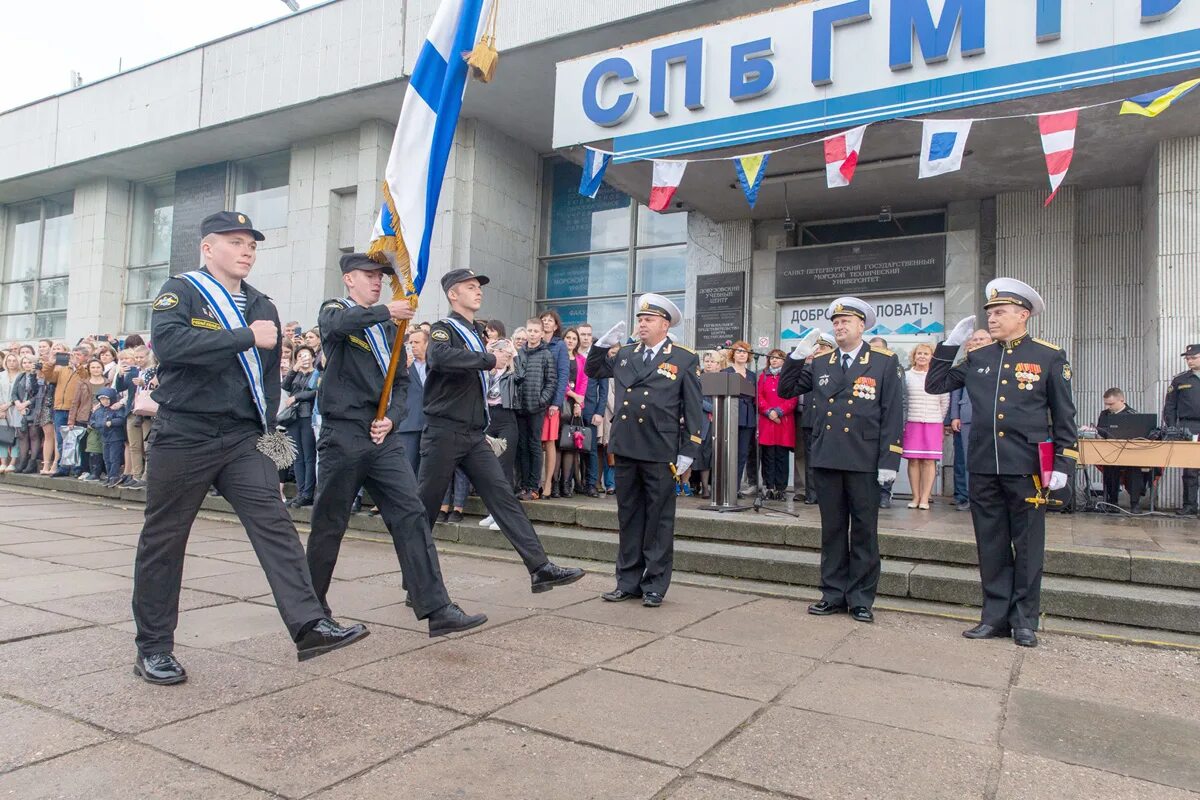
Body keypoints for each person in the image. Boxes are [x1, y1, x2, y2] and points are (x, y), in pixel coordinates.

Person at [132, 211, 368, 686]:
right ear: (208, 247)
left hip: (243, 436)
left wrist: (267, 428)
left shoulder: (262, 303)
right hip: (185, 433)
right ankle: (153, 647)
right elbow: (170, 344)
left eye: (252, 244)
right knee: (165, 538)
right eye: (236, 241)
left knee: (275, 524)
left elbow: (266, 376)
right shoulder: (181, 290)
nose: (246, 251)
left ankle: (309, 626)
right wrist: (243, 335)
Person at [304, 253, 486, 636]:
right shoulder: (338, 310)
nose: (376, 282)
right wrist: (386, 310)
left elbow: (402, 383)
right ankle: (311, 610)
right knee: (329, 522)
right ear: (349, 279)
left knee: (411, 515)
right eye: (369, 276)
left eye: (380, 277)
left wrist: (393, 418)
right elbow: (336, 325)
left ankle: (436, 607)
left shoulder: (390, 330)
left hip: (381, 437)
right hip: (344, 434)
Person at [926, 278, 1079, 648]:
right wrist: (949, 344)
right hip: (983, 464)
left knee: (1027, 546)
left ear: (1023, 315)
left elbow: (1064, 416)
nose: (991, 319)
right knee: (990, 544)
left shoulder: (1048, 355)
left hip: (1026, 465)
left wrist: (1063, 463)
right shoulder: (979, 357)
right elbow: (935, 383)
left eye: (999, 312)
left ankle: (1024, 619)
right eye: (989, 312)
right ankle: (994, 616)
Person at [417, 268, 584, 592]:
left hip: (474, 434)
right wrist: (487, 358)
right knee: (424, 510)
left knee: (504, 498)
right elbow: (438, 357)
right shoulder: (443, 329)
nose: (478, 291)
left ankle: (540, 567)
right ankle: (417, 585)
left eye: (478, 286)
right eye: (470, 287)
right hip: (444, 431)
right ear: (453, 294)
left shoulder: (477, 332)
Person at [780, 299, 905, 624]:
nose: (839, 327)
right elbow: (786, 389)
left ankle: (861, 598)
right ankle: (833, 593)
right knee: (833, 530)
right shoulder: (822, 362)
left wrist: (889, 459)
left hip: (864, 458)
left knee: (864, 530)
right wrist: (796, 356)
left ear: (862, 325)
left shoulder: (882, 362)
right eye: (835, 322)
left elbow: (893, 412)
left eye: (846, 321)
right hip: (828, 456)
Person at [586, 294, 704, 607]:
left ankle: (654, 584)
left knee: (659, 519)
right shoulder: (625, 354)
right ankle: (627, 581)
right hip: (626, 445)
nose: (642, 324)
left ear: (665, 325)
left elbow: (693, 407)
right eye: (640, 319)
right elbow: (593, 371)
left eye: (649, 319)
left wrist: (689, 448)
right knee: (629, 516)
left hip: (660, 447)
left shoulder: (683, 358)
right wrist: (599, 346)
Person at [902, 344, 949, 510]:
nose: (922, 356)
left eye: (926, 354)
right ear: (914, 356)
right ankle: (915, 497)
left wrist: (938, 419)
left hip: (933, 423)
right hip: (911, 423)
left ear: (931, 357)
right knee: (913, 460)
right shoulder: (906, 376)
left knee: (929, 461)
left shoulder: (938, 376)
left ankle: (924, 498)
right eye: (919, 353)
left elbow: (944, 402)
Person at [515, 317, 556, 500]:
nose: (532, 334)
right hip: (520, 407)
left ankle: (533, 487)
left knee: (535, 446)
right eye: (529, 331)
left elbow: (551, 381)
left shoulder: (546, 354)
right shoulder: (520, 353)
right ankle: (523, 485)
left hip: (536, 408)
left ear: (541, 333)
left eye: (535, 331)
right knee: (522, 447)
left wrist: (542, 400)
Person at [1095, 388, 1148, 512]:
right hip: (1112, 452)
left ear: (1122, 400)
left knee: (1135, 469)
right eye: (1106, 403)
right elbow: (1100, 430)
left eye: (1111, 404)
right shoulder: (1104, 414)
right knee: (1109, 468)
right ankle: (1112, 502)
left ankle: (1135, 504)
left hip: (1130, 454)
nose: (1108, 407)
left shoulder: (1133, 414)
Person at [1164, 343, 1200, 516]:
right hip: (1190, 426)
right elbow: (1170, 407)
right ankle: (1190, 505)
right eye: (1187, 358)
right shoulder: (1180, 380)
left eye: (1193, 357)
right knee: (1191, 468)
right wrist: (1172, 427)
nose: (1189, 361)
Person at [757, 349, 797, 500]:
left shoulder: (787, 377)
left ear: (784, 360)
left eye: (777, 358)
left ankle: (780, 488)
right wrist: (768, 412)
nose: (773, 361)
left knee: (781, 456)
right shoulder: (763, 377)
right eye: (771, 358)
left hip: (783, 423)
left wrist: (779, 412)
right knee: (768, 456)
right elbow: (759, 396)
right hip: (767, 422)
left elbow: (792, 398)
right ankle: (768, 486)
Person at [282, 346, 319, 507]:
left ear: (312, 357)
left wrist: (297, 397)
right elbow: (285, 386)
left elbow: (316, 392)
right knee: (297, 456)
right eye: (300, 355)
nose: (304, 358)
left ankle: (308, 493)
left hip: (308, 416)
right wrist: (294, 369)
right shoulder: (295, 373)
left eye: (307, 355)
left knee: (309, 456)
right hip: (293, 418)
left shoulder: (316, 373)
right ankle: (301, 491)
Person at [539, 310, 569, 497]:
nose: (546, 323)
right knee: (534, 442)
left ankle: (548, 483)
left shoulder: (560, 346)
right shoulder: (535, 342)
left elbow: (563, 375)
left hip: (551, 402)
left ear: (556, 326)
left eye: (550, 321)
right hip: (534, 399)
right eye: (544, 320)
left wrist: (556, 402)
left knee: (549, 442)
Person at [724, 341, 758, 496]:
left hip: (748, 417)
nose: (742, 354)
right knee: (728, 452)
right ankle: (725, 486)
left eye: (745, 352)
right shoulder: (726, 372)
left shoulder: (752, 375)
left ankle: (735, 488)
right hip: (730, 414)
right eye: (738, 352)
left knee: (742, 454)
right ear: (733, 354)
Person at [868, 336, 898, 509]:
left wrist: (897, 425)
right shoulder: (865, 368)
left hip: (887, 424)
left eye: (879, 348)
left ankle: (885, 493)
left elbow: (899, 400)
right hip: (870, 426)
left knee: (886, 458)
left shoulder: (892, 367)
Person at [557, 327, 587, 497]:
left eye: (574, 338)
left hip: (575, 404)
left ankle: (566, 484)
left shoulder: (581, 359)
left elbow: (583, 382)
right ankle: (554, 483)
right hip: (560, 403)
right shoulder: (558, 358)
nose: (570, 341)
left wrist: (578, 402)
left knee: (570, 445)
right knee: (558, 445)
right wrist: (574, 395)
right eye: (568, 337)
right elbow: (561, 380)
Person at [396, 329, 429, 478]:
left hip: (430, 425)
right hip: (409, 423)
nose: (413, 346)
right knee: (406, 469)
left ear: (427, 344)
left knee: (425, 472)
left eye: (417, 342)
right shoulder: (403, 363)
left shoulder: (435, 364)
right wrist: (402, 368)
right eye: (410, 343)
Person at [11, 355, 44, 473]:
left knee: (34, 435)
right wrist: (18, 404)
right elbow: (14, 393)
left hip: (34, 409)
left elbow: (40, 393)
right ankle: (23, 461)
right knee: (22, 436)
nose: (26, 365)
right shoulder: (20, 376)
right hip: (20, 409)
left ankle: (32, 462)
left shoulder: (38, 376)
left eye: (29, 362)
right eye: (24, 362)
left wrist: (26, 403)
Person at [89, 387, 127, 486]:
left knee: (114, 458)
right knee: (106, 458)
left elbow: (121, 419)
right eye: (102, 399)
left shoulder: (116, 408)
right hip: (104, 437)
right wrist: (95, 425)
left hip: (115, 437)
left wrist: (111, 422)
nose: (104, 401)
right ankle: (110, 476)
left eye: (107, 399)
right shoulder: (99, 410)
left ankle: (114, 476)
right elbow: (92, 420)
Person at [0, 353, 20, 472]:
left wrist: (10, 404)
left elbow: (20, 393)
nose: (11, 363)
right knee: (2, 436)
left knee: (16, 436)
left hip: (16, 409)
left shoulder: (21, 375)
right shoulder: (1, 375)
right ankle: (3, 462)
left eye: (14, 361)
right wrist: (1, 408)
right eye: (9, 361)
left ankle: (13, 462)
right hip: (2, 409)